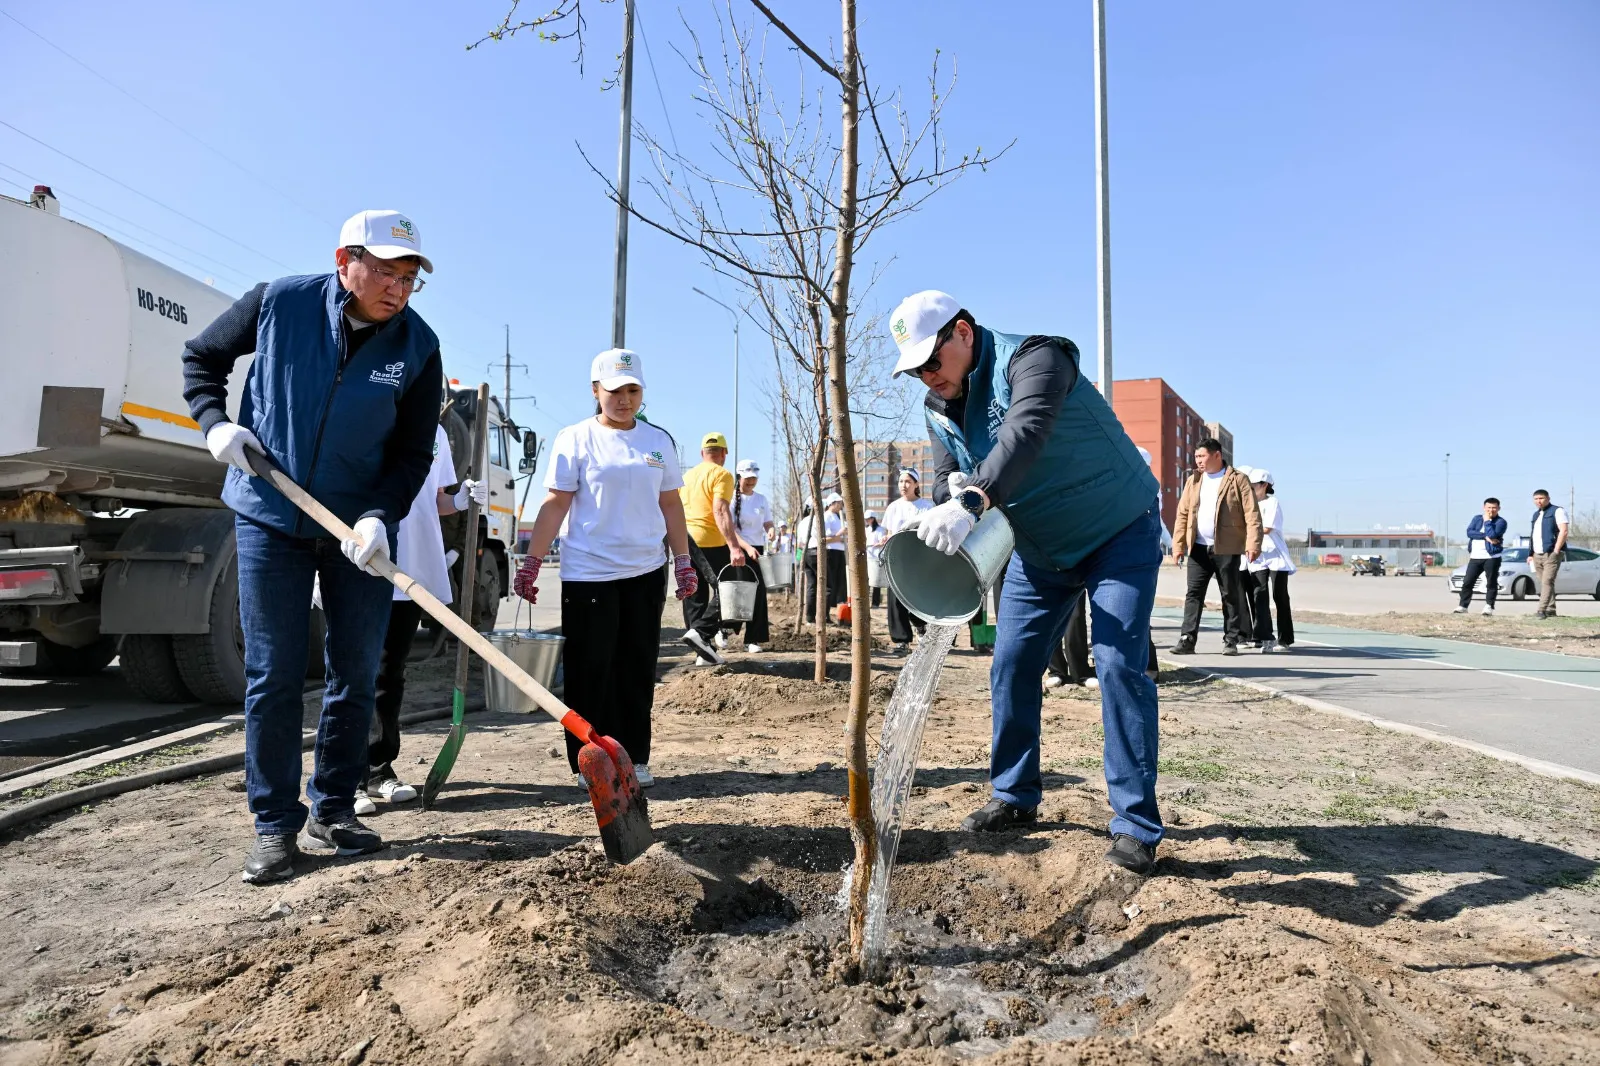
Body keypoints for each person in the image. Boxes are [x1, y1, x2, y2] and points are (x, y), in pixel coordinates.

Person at [182, 209, 443, 884]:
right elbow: (201, 358)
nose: (397, 287)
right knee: (273, 673)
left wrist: (382, 516)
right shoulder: (279, 303)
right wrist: (215, 425)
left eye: (409, 276)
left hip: (356, 531)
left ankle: (334, 808)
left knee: (356, 670)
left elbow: (414, 451)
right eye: (385, 270)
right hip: (270, 513)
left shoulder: (419, 346)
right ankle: (275, 827)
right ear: (343, 260)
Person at [888, 290, 1165, 875]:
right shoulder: (938, 409)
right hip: (1042, 549)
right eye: (915, 371)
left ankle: (1136, 825)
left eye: (931, 363)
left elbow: (1026, 432)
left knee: (1116, 662)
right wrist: (949, 493)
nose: (927, 378)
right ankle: (1015, 797)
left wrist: (973, 494)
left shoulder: (1036, 359)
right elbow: (944, 478)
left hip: (1116, 529)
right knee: (1011, 661)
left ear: (963, 332)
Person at [516, 349, 696, 789]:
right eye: (614, 391)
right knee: (590, 669)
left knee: (636, 666)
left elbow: (670, 504)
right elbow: (556, 502)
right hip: (588, 572)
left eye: (632, 390)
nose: (624, 399)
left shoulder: (657, 441)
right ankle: (590, 760)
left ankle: (634, 756)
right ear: (596, 391)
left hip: (645, 570)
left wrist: (684, 561)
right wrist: (533, 561)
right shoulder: (575, 438)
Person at [354, 424, 487, 814]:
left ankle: (379, 770)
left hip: (412, 566)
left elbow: (435, 500)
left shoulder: (436, 431)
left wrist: (460, 500)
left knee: (390, 671)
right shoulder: (367, 406)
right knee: (353, 673)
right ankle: (347, 778)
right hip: (363, 559)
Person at [1171, 440, 1261, 656]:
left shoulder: (1237, 479)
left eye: (1202, 456)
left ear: (1217, 455)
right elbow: (1182, 513)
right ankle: (1187, 639)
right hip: (1198, 548)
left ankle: (1231, 639)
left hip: (1226, 548)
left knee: (1229, 594)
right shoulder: (1194, 480)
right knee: (1193, 594)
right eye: (1196, 457)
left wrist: (1253, 543)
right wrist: (1178, 545)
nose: (1198, 461)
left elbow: (1252, 513)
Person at [678, 432, 757, 664]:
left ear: (702, 453)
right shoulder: (722, 474)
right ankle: (701, 633)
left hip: (686, 539)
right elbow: (720, 510)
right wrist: (734, 547)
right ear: (724, 453)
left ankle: (704, 652)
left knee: (694, 594)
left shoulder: (688, 475)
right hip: (710, 540)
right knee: (734, 587)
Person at [724, 459, 774, 652]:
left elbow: (768, 521)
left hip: (757, 550)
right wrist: (745, 548)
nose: (751, 482)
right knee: (739, 593)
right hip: (738, 550)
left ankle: (752, 639)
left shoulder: (761, 499)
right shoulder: (732, 499)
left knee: (758, 594)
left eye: (754, 478)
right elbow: (731, 530)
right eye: (748, 478)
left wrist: (770, 530)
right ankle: (726, 628)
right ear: (739, 477)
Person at [880, 469, 932, 652]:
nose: (904, 485)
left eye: (908, 481)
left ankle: (920, 624)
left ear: (916, 484)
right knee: (895, 600)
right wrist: (885, 540)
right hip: (896, 557)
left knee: (919, 597)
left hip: (918, 558)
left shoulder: (927, 507)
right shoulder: (893, 507)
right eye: (901, 481)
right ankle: (901, 641)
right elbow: (888, 532)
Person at [1245, 469, 1296, 652]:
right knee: (1259, 595)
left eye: (1253, 486)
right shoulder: (1247, 504)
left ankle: (1285, 639)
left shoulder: (1272, 503)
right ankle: (1265, 637)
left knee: (1279, 596)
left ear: (1264, 485)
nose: (1250, 489)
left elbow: (1265, 528)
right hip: (1257, 556)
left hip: (1276, 556)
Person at [1455, 497, 1507, 616]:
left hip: (1492, 557)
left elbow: (1493, 534)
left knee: (1491, 582)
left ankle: (1489, 606)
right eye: (1488, 507)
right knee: (1468, 582)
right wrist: (1485, 536)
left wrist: (1488, 521)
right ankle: (1463, 606)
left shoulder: (1501, 522)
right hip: (1475, 557)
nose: (1491, 510)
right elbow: (1469, 532)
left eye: (1494, 508)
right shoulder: (1477, 518)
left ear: (1498, 508)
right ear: (1484, 507)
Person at [1529, 489, 1569, 619]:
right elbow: (1533, 535)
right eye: (1536, 499)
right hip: (1537, 554)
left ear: (1548, 498)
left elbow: (1564, 531)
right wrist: (1531, 553)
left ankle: (1541, 610)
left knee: (1547, 581)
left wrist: (1556, 550)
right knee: (1545, 582)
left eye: (1541, 498)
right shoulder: (1536, 515)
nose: (1538, 501)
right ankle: (1551, 609)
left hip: (1551, 552)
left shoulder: (1558, 511)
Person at [823, 492, 848, 615]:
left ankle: (838, 608)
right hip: (830, 552)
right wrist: (840, 535)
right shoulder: (827, 516)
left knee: (840, 582)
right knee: (830, 583)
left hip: (840, 551)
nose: (840, 505)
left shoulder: (838, 517)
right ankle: (825, 612)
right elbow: (825, 538)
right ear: (832, 503)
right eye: (839, 503)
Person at [865, 512, 888, 607]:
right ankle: (866, 602)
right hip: (868, 557)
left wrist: (876, 545)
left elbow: (883, 542)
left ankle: (875, 602)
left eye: (868, 518)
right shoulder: (866, 529)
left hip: (876, 558)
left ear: (873, 518)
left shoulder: (880, 530)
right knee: (867, 580)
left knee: (876, 580)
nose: (867, 520)